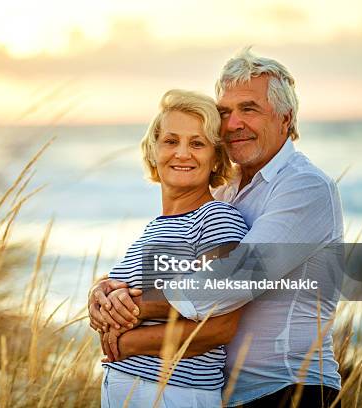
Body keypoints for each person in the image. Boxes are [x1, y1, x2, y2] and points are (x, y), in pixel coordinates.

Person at [89, 48, 343, 407]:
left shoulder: (305, 187)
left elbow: (235, 280)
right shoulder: (225, 192)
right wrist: (103, 290)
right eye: (225, 112)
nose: (233, 123)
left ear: (286, 119)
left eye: (249, 109)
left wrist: (134, 309)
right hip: (229, 392)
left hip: (287, 388)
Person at [98, 88, 249, 407]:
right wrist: (99, 296)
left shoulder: (217, 218)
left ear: (215, 157)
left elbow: (221, 326)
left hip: (174, 393)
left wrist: (126, 343)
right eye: (171, 141)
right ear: (153, 150)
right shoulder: (155, 227)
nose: (182, 153)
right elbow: (131, 293)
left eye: (197, 143)